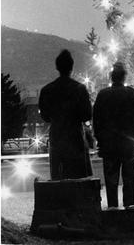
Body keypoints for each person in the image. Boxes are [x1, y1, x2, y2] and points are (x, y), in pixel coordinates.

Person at [92, 62, 134, 209]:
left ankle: (113, 207)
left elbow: (96, 120)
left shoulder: (103, 95)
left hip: (109, 144)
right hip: (129, 144)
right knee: (128, 178)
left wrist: (100, 138)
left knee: (111, 179)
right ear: (124, 77)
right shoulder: (131, 93)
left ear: (111, 77)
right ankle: (129, 206)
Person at [37, 49, 93, 180]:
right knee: (77, 180)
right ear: (71, 67)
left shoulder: (47, 90)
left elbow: (45, 116)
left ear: (57, 67)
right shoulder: (80, 89)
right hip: (75, 139)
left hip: (57, 139)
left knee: (58, 181)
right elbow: (86, 115)